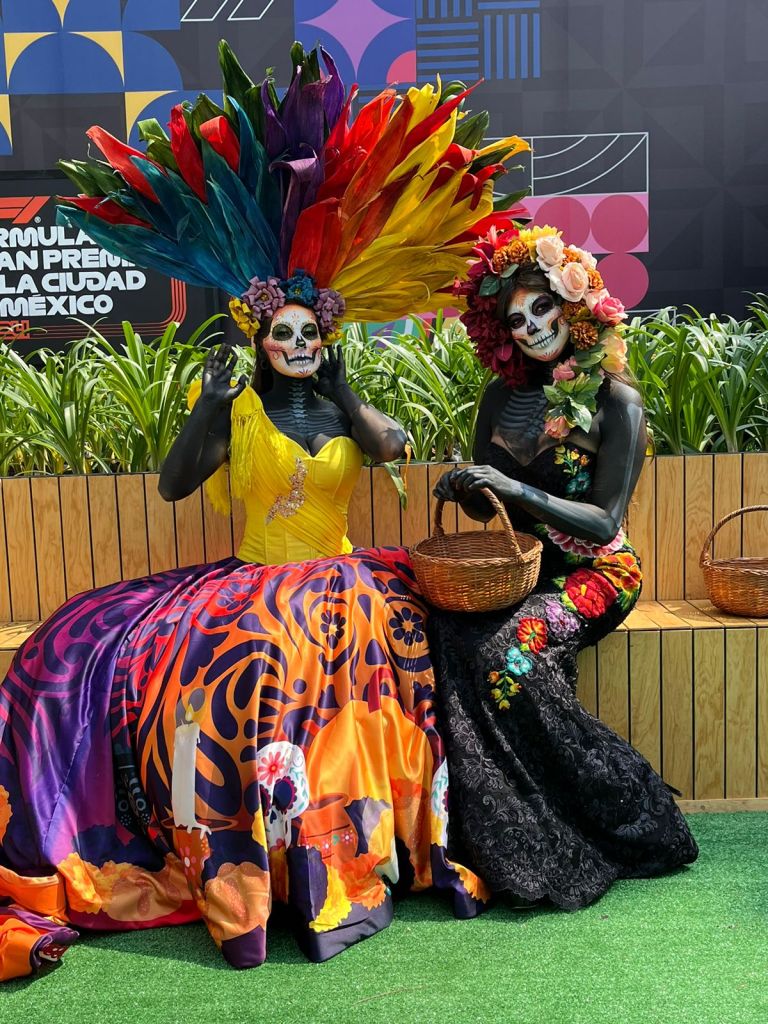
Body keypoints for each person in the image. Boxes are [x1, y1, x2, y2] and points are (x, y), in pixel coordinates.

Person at [0, 43, 529, 979]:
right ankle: (247, 853)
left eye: (309, 333)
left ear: (325, 338)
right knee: (84, 641)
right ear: (259, 335)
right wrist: (207, 404)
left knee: (315, 660)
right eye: (281, 332)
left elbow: (395, 446)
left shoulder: (339, 406)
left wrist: (345, 381)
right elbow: (173, 486)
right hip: (249, 578)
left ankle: (339, 851)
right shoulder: (238, 407)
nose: (293, 343)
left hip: (344, 580)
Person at [428, 226, 698, 907]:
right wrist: (470, 490)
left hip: (598, 573)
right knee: (449, 640)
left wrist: (518, 489)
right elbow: (492, 515)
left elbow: (605, 521)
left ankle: (624, 809)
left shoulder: (616, 402)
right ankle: (505, 819)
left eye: (541, 309)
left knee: (508, 654)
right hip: (520, 570)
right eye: (514, 320)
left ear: (572, 304)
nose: (529, 328)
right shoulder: (497, 398)